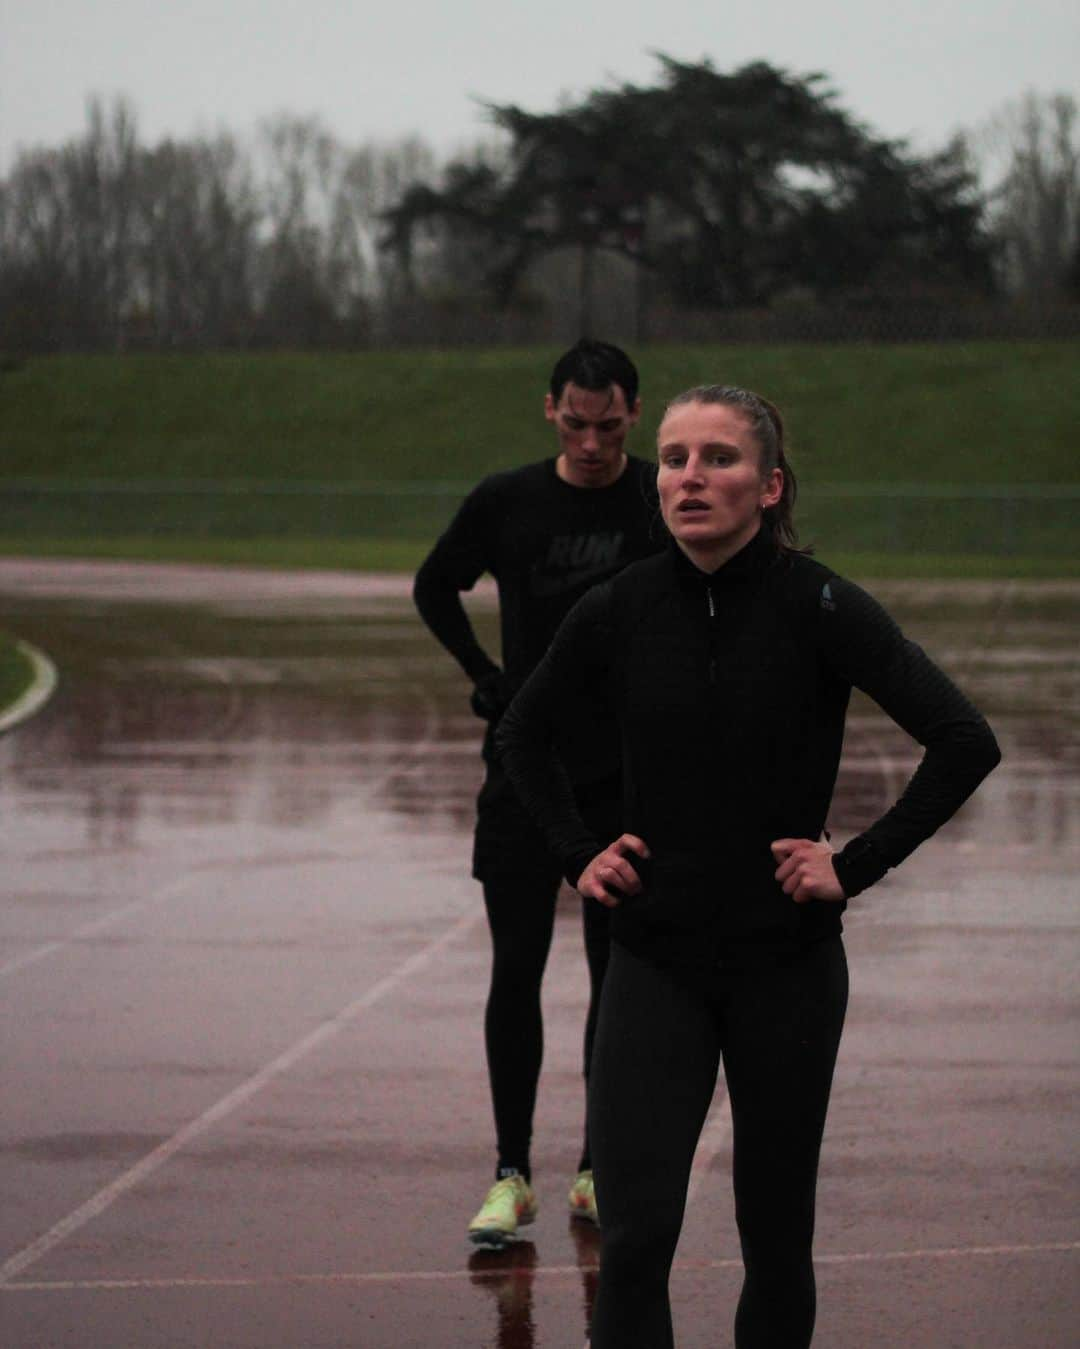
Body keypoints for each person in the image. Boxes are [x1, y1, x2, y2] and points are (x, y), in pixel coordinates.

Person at [496, 385, 1001, 1347]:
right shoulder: (621, 607)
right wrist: (577, 853)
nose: (690, 477)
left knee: (776, 1240)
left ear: (769, 486)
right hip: (654, 960)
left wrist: (854, 865)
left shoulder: (821, 605)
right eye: (677, 457)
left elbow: (962, 737)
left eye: (719, 458)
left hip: (788, 964)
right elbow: (523, 733)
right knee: (636, 1241)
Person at [413, 339, 662, 1248]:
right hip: (526, 764)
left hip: (626, 776)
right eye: (574, 421)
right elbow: (433, 584)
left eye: (608, 424)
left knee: (617, 976)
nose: (591, 441)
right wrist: (485, 672)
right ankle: (511, 1172)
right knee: (515, 967)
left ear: (634, 412)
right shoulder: (507, 500)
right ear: (548, 407)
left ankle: (598, 1165)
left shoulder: (656, 497)